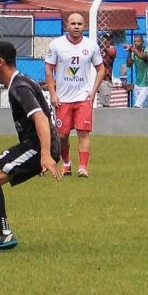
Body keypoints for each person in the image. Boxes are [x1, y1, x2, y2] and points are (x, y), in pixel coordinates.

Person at [0, 41, 61, 253]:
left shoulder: (19, 87)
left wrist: (45, 155)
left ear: (0, 62)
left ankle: (2, 233)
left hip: (37, 146)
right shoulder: (21, 82)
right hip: (35, 145)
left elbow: (40, 118)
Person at [44, 12, 105, 177]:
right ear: (67, 26)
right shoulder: (57, 45)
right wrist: (53, 93)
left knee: (83, 132)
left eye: (79, 24)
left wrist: (93, 92)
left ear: (84, 26)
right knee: (62, 135)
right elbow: (49, 68)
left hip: (83, 97)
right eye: (73, 24)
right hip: (62, 98)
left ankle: (83, 167)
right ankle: (67, 163)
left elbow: (101, 69)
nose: (76, 27)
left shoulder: (91, 46)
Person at [124, 34, 148, 108]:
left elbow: (142, 56)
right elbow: (129, 64)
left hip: (146, 85)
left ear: (142, 42)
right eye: (134, 41)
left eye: (138, 41)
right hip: (137, 85)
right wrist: (129, 52)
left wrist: (132, 50)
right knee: (143, 107)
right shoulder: (134, 53)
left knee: (137, 106)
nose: (136, 43)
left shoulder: (146, 50)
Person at [95, 32, 118, 106]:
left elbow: (109, 54)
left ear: (111, 40)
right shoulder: (97, 49)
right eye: (104, 38)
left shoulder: (112, 49)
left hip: (105, 79)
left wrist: (102, 45)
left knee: (104, 104)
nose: (105, 40)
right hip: (95, 78)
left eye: (108, 39)